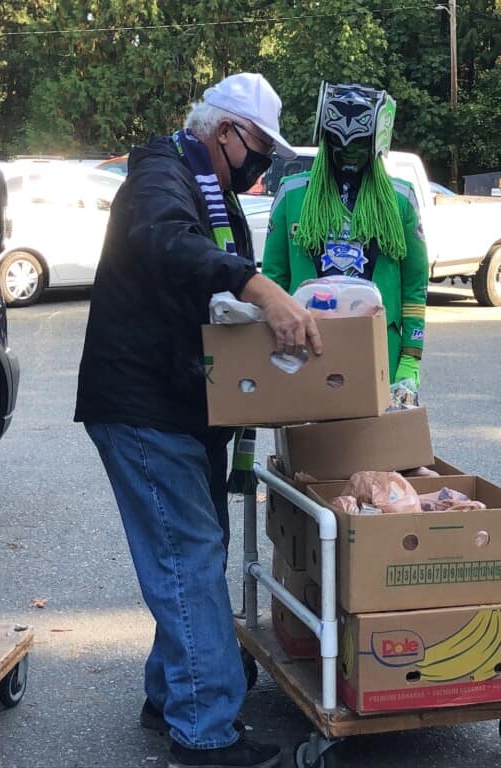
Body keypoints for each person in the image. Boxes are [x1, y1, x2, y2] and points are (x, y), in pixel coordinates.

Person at [74, 73, 321, 768]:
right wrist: (258, 286)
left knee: (192, 548)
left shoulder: (195, 179)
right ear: (223, 134)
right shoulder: (161, 174)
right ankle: (204, 732)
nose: (261, 166)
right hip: (144, 404)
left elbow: (200, 278)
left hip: (183, 402)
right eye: (258, 150)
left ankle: (171, 696)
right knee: (188, 557)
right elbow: (165, 242)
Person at [262, 81, 427, 389]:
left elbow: (414, 287)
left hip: (379, 350)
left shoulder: (400, 199)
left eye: (359, 145)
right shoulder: (293, 193)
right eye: (340, 144)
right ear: (326, 142)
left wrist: (410, 357)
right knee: (310, 437)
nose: (349, 154)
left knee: (370, 437)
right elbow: (274, 280)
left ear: (375, 143)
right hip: (306, 347)